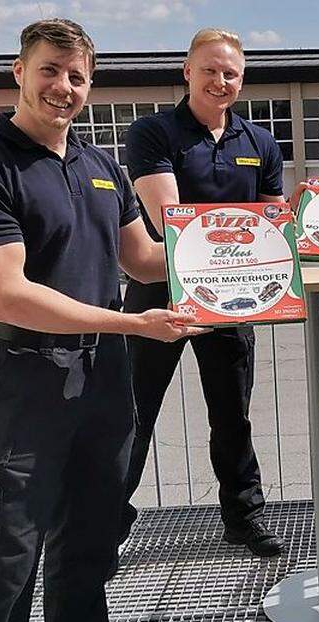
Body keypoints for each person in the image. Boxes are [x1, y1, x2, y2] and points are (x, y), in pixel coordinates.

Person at [0, 19, 204, 622]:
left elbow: (142, 261)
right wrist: (132, 327)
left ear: (90, 86)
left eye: (77, 76)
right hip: (23, 382)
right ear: (19, 73)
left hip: (104, 382)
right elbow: (10, 295)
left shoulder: (101, 166)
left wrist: (241, 256)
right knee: (4, 557)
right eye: (50, 70)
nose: (63, 86)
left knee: (89, 547)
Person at [121, 28, 285, 556]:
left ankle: (244, 517)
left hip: (231, 301)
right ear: (187, 71)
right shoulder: (153, 132)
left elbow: (272, 221)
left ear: (242, 80)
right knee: (132, 413)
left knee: (232, 415)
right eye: (209, 69)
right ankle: (102, 531)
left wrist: (295, 216)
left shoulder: (260, 142)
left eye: (230, 72)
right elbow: (169, 218)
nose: (220, 80)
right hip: (158, 297)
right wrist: (247, 228)